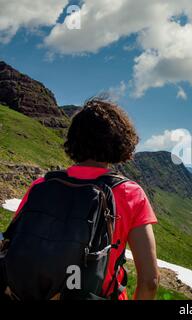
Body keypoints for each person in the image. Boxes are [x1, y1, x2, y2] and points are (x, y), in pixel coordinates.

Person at [12, 98, 159, 300]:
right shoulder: (129, 193)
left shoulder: (41, 185)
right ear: (120, 140)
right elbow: (149, 281)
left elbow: (12, 242)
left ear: (73, 139)